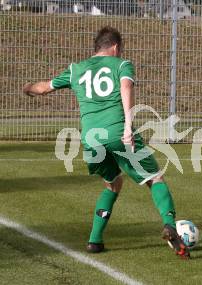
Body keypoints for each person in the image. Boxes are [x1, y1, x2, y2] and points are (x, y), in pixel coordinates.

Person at [22, 26, 190, 258]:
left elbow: (43, 88)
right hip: (118, 133)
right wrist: (128, 126)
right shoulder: (121, 65)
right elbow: (126, 86)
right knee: (155, 178)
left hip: (91, 140)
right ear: (115, 47)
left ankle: (95, 241)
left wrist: (28, 88)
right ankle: (170, 224)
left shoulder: (76, 69)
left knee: (113, 183)